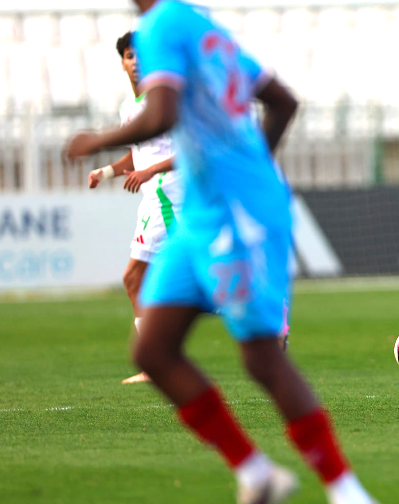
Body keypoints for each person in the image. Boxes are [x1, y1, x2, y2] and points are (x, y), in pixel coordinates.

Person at [64, 1, 378, 503]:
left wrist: (96, 141)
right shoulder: (203, 27)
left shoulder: (160, 25)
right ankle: (256, 473)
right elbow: (282, 102)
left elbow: (162, 114)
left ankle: (346, 489)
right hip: (201, 212)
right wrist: (250, 162)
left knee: (262, 358)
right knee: (152, 350)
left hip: (237, 212)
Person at [88, 31, 182, 385]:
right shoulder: (130, 108)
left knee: (140, 277)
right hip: (152, 196)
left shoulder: (164, 102)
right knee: (155, 279)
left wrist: (150, 171)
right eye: (130, 55)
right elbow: (137, 154)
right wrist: (106, 172)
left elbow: (187, 152)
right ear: (123, 63)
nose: (137, 61)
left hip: (169, 196)